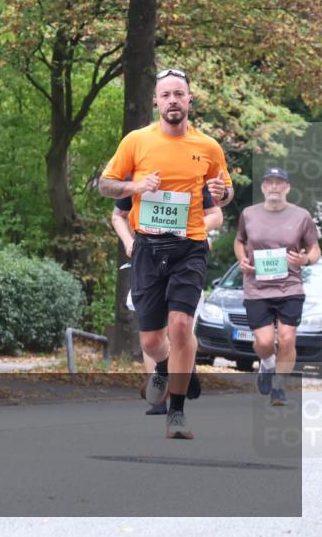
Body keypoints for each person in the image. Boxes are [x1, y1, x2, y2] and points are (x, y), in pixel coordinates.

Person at [99, 68, 233, 439]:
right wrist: (135, 184)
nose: (173, 100)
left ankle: (176, 414)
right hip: (146, 247)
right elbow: (106, 186)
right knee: (153, 342)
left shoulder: (208, 146)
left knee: (179, 325)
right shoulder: (136, 141)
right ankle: (174, 368)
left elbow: (224, 192)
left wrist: (223, 195)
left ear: (190, 99)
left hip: (189, 247)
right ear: (156, 101)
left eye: (180, 94)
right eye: (166, 95)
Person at [112, 183, 221, 415]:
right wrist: (128, 241)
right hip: (148, 261)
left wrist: (196, 231)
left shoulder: (189, 171)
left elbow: (215, 214)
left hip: (186, 260)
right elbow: (117, 216)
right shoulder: (137, 175)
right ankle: (167, 379)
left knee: (180, 327)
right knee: (152, 338)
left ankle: (175, 400)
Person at [234, 167, 321, 406]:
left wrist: (304, 260)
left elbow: (314, 248)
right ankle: (268, 365)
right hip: (257, 287)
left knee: (286, 339)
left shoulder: (301, 216)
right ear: (262, 187)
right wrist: (242, 259)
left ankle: (279, 387)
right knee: (263, 342)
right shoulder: (249, 214)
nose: (274, 186)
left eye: (279, 182)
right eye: (269, 182)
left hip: (290, 286)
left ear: (287, 188)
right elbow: (239, 241)